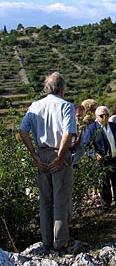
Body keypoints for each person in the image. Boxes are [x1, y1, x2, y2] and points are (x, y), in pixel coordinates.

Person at [19, 72, 77, 251]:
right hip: (58, 152)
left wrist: (33, 155)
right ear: (62, 88)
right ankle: (60, 241)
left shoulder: (35, 106)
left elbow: (22, 131)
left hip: (42, 153)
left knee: (45, 200)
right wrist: (60, 156)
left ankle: (46, 240)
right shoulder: (66, 106)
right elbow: (68, 133)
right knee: (61, 198)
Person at [83, 106, 116, 211]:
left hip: (115, 158)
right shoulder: (92, 129)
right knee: (104, 184)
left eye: (106, 115)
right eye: (102, 116)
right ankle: (107, 205)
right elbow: (86, 145)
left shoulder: (115, 127)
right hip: (102, 161)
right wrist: (94, 154)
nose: (105, 118)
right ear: (97, 117)